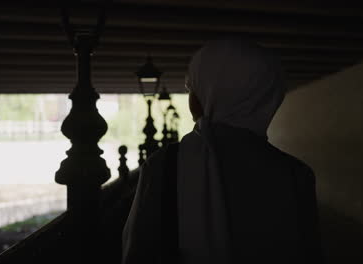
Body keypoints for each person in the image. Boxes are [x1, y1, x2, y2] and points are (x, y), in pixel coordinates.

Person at [122, 38, 323, 263]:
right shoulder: (296, 173)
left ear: (209, 95)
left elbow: (138, 251)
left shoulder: (164, 164)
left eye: (192, 88)